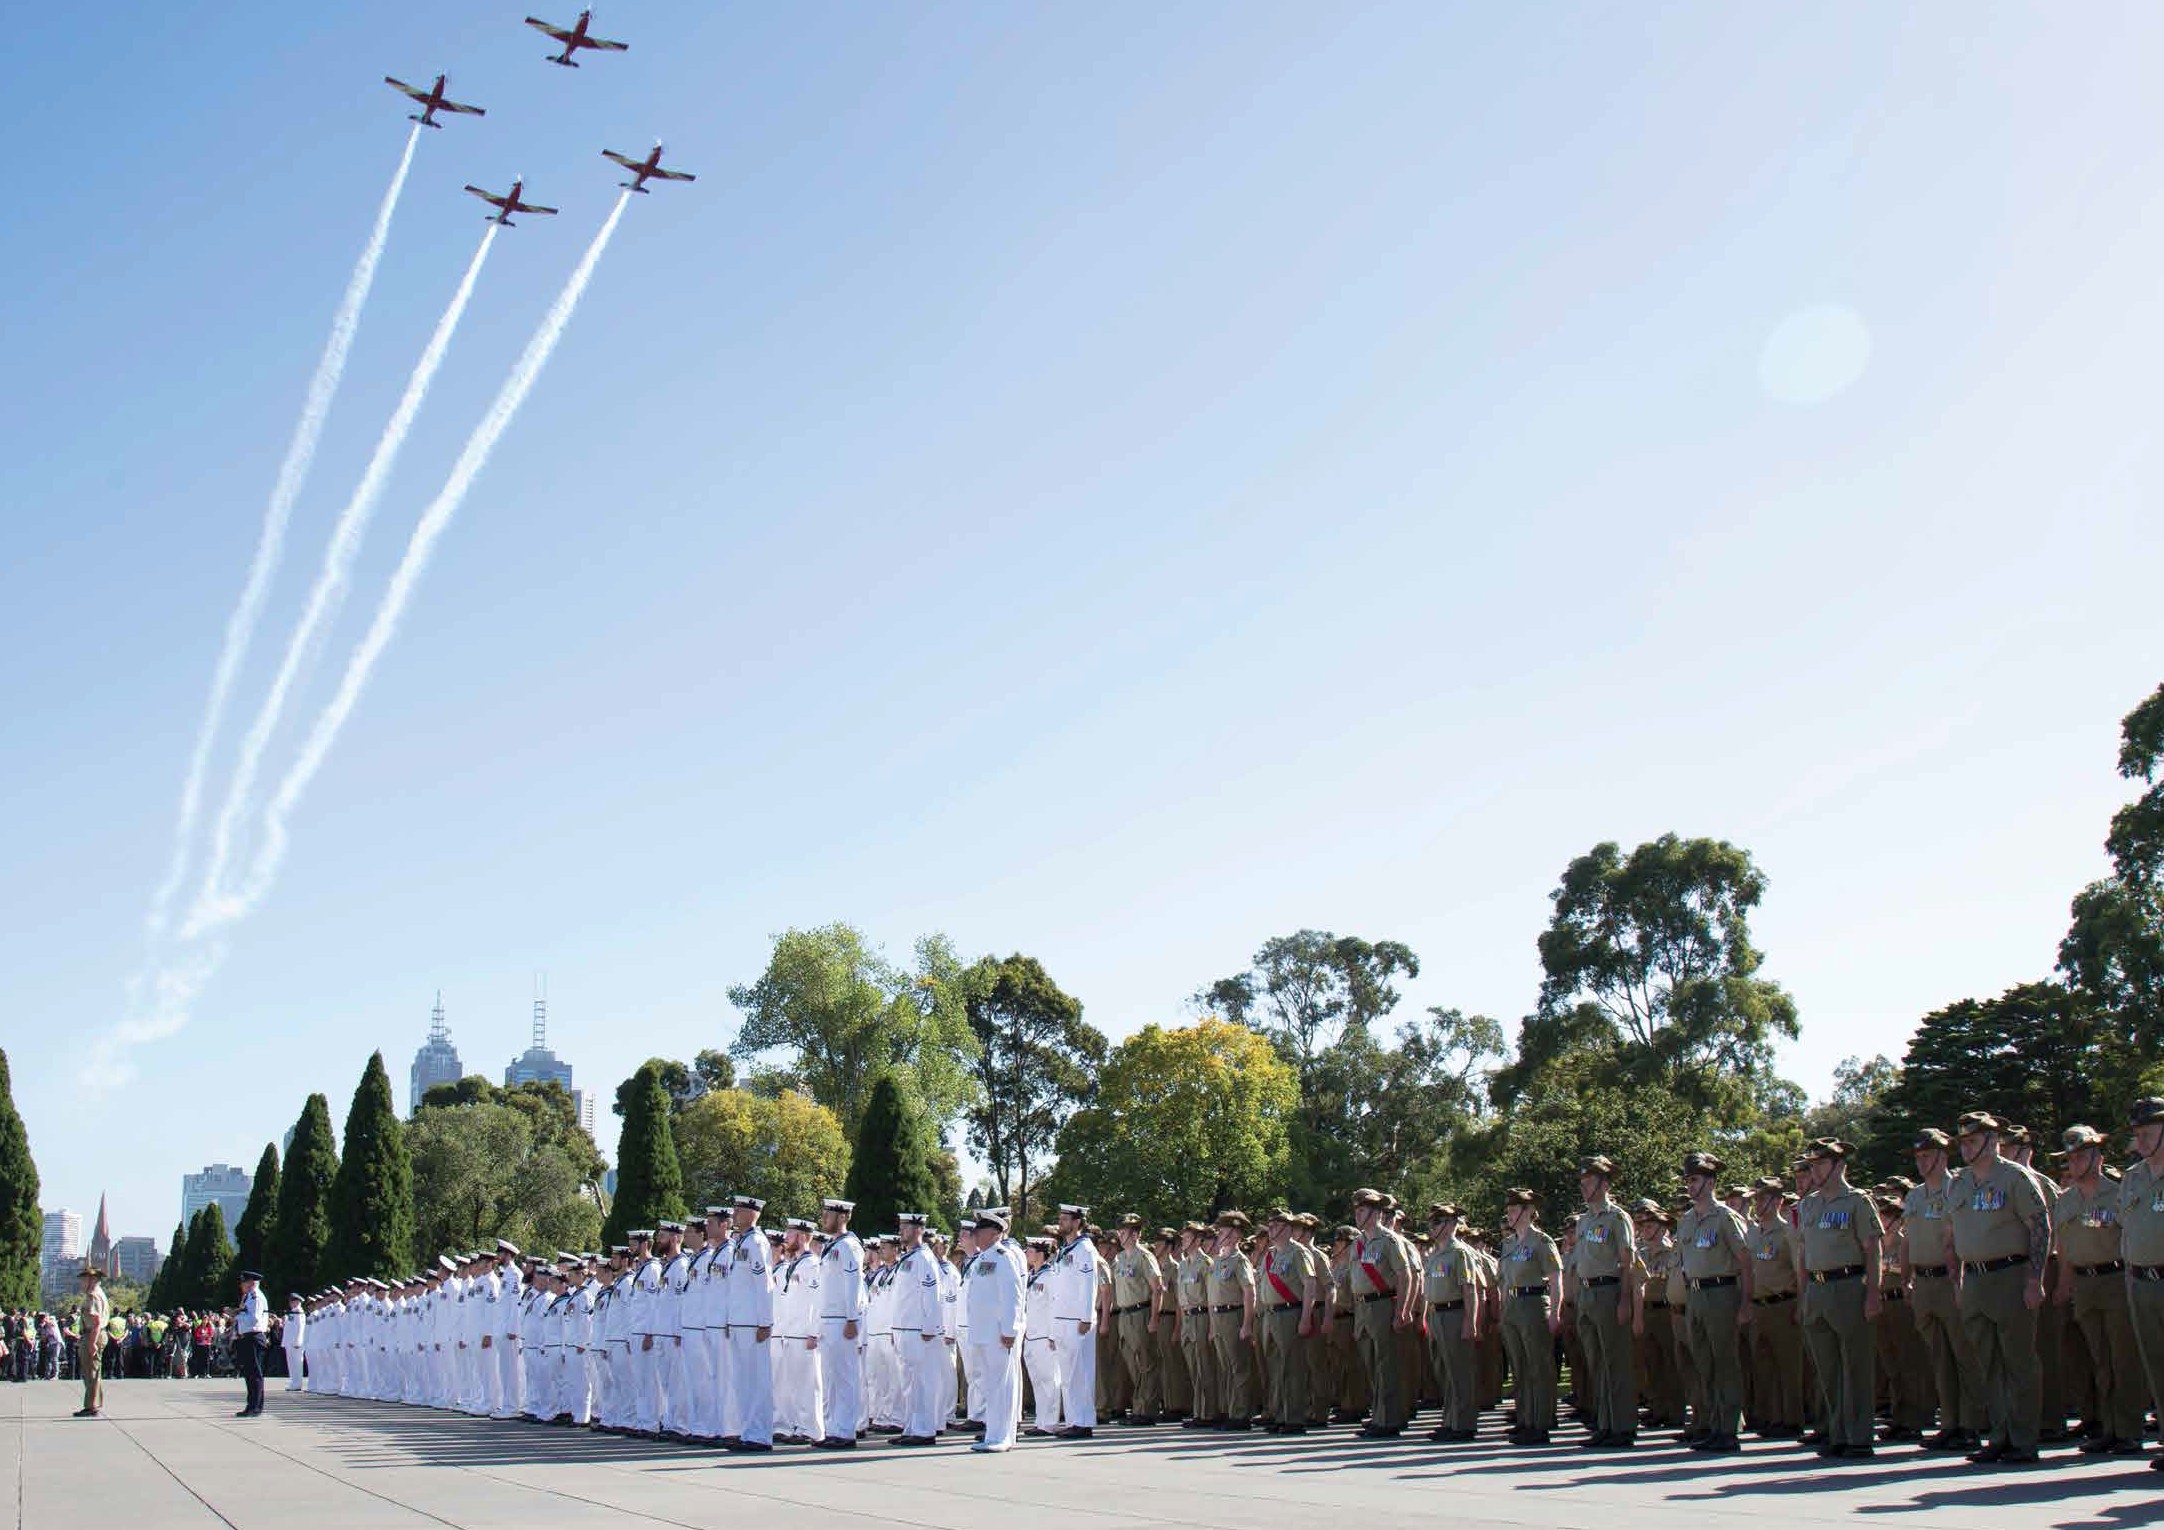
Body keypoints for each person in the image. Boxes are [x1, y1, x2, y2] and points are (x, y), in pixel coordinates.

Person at [1949, 1110, 2050, 1466]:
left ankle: (2023, 1439)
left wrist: (2035, 1279)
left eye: (1973, 1141)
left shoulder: (2015, 1178)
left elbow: (2040, 1227)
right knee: (1986, 1362)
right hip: (1974, 1278)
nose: (1966, 1149)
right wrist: (1957, 1280)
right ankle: (1999, 1434)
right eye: (1963, 1142)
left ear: (1992, 1142)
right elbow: (1953, 1236)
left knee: (2018, 1361)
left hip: (2010, 1274)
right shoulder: (1957, 1182)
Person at [1794, 1138, 1882, 1459]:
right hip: (1817, 1288)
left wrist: (1873, 1293)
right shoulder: (1808, 1204)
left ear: (1839, 1165)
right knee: (1827, 1368)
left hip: (1848, 1284)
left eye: (1820, 1164)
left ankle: (1859, 1435)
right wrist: (1804, 1296)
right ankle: (1836, 1431)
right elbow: (1803, 1254)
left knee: (1855, 1366)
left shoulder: (1857, 1201)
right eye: (1812, 1164)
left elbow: (1873, 1251)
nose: (1814, 1170)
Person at [965, 1209, 1026, 1451]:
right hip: (983, 1332)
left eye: (979, 1231)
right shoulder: (982, 1259)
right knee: (991, 1386)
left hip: (998, 1334)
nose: (975, 1236)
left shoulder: (1003, 1257)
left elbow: (1012, 1294)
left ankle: (1002, 1436)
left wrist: (1010, 1329)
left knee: (1002, 1385)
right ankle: (994, 1433)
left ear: (994, 1233)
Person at [814, 1197, 864, 1449]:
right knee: (831, 1379)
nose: (824, 1218)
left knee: (844, 1377)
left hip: (843, 1320)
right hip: (828, 1319)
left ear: (843, 1217)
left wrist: (852, 1317)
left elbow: (853, 1282)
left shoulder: (849, 1246)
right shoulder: (831, 1246)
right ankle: (833, 1428)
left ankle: (845, 1431)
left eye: (829, 1214)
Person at [1050, 1204, 1100, 1437]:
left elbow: (1089, 1285)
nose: (1061, 1222)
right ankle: (1073, 1419)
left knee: (1080, 1373)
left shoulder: (1085, 1250)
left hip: (1077, 1320)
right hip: (1062, 1318)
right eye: (1060, 1218)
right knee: (1068, 1374)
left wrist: (1086, 1316)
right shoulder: (1065, 1249)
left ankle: (1083, 1421)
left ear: (1078, 1221)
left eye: (1065, 1218)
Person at [232, 1270, 271, 1417]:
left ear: (252, 1283)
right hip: (247, 1336)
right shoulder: (248, 1297)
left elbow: (253, 1318)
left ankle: (256, 1406)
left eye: (244, 1282)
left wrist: (237, 1315)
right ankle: (251, 1405)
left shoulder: (256, 1297)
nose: (242, 1285)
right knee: (249, 1373)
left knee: (255, 1373)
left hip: (254, 1336)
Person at [75, 1266, 109, 1417]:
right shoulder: (98, 1294)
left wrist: (92, 1343)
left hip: (93, 1334)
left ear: (92, 1280)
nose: (81, 1282)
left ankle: (91, 1406)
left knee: (91, 1371)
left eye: (84, 1279)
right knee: (93, 1370)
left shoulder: (93, 1296)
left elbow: (96, 1322)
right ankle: (94, 1403)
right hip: (93, 1334)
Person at [281, 1293, 307, 1391]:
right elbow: (289, 1328)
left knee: (296, 1363)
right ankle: (293, 1382)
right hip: (290, 1342)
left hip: (296, 1342)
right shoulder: (292, 1312)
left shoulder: (299, 1312)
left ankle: (297, 1383)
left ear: (298, 1302)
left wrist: (298, 1340)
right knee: (291, 1363)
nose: (291, 1303)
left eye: (293, 1301)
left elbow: (300, 1327)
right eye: (291, 1301)